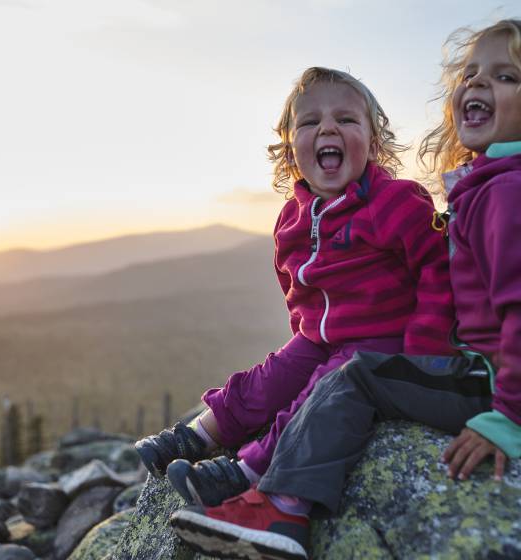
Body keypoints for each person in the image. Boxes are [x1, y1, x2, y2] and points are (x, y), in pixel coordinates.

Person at [169, 19, 521, 560]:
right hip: (474, 369)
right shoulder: (487, 183)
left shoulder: (503, 193)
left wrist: (508, 419)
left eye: (505, 76)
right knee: (307, 367)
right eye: (471, 73)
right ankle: (221, 446)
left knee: (354, 375)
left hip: (484, 380)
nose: (477, 84)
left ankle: (282, 509)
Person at [135, 66, 454, 508]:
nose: (327, 127)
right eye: (309, 122)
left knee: (320, 392)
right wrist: (303, 337)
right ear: (290, 153)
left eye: (346, 119)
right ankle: (198, 434)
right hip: (319, 337)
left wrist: (424, 351)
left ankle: (248, 469)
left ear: (374, 144)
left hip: (383, 343)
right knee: (270, 377)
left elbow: (439, 269)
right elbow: (294, 281)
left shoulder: (396, 202)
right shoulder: (292, 218)